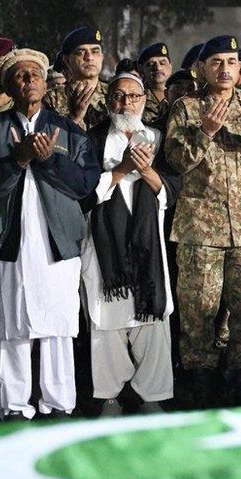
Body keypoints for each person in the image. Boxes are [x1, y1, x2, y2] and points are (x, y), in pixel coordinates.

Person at [0, 48, 100, 420]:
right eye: (20, 76)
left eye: (34, 75)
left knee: (58, 325)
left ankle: (58, 403)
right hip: (10, 242)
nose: (28, 80)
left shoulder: (70, 131)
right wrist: (18, 160)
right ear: (10, 86)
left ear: (45, 84)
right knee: (13, 323)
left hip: (56, 245)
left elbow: (85, 186)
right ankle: (14, 406)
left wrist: (48, 160)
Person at [164, 35, 241, 406]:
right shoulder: (185, 107)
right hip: (200, 227)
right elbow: (177, 161)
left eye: (231, 62)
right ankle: (199, 385)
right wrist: (206, 132)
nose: (226, 69)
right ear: (201, 68)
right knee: (198, 311)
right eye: (217, 62)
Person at [82, 73, 178, 416]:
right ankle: (109, 397)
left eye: (134, 97)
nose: (126, 104)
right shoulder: (90, 141)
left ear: (143, 100)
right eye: (119, 97)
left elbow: (172, 189)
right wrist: (122, 169)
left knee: (153, 320)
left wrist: (149, 172)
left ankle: (152, 395)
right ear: (109, 101)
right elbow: (84, 192)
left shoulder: (157, 136)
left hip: (148, 244)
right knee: (106, 321)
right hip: (105, 246)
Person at [43, 26, 108, 129]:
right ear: (67, 61)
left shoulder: (114, 94)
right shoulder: (51, 98)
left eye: (95, 52)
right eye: (81, 53)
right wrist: (73, 119)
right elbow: (48, 137)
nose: (89, 57)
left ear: (101, 57)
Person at [138, 42, 173, 127]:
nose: (157, 68)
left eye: (162, 63)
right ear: (142, 69)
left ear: (171, 66)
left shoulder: (181, 93)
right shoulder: (136, 97)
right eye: (150, 64)